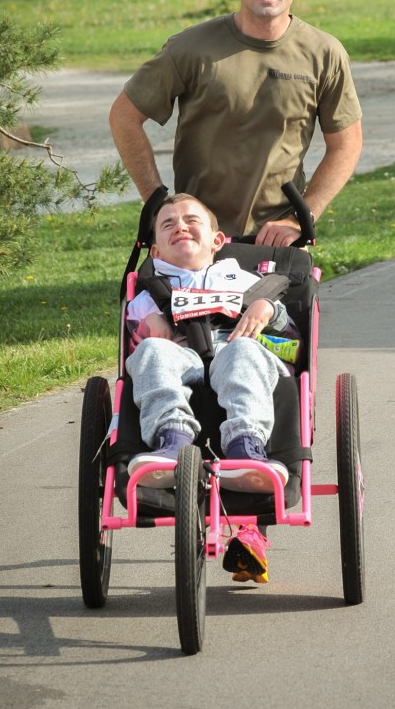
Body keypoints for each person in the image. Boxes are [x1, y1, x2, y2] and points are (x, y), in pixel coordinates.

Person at [109, 0, 363, 247]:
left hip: (277, 240)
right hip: (196, 242)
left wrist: (303, 217)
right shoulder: (190, 48)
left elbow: (347, 144)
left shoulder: (324, 54)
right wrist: (156, 203)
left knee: (270, 303)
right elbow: (124, 116)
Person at [126, 193, 300, 583]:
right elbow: (139, 328)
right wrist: (150, 321)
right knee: (152, 350)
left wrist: (266, 308)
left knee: (243, 352)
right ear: (154, 250)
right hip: (180, 356)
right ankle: (171, 441)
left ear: (217, 241)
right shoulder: (147, 292)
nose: (180, 227)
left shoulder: (242, 278)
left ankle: (246, 448)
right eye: (168, 224)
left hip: (234, 350)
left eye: (191, 221)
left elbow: (287, 325)